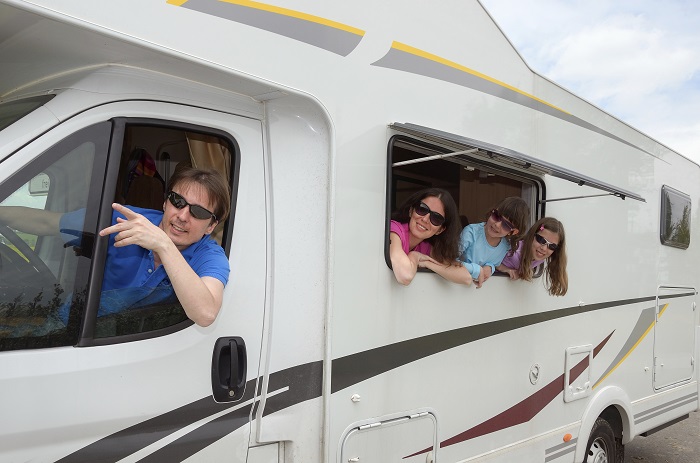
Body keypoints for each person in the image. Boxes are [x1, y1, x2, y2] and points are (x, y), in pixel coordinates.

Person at [0, 167, 231, 327]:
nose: (182, 215)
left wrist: (163, 244)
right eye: (177, 201)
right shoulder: (124, 219)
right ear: (164, 202)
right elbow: (46, 222)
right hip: (76, 326)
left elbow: (205, 313)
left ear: (211, 226)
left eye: (198, 212)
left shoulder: (209, 256)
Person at [389, 188, 472, 286]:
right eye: (422, 209)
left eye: (436, 218)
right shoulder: (394, 230)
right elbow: (405, 276)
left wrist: (427, 263)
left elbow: (466, 277)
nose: (425, 219)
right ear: (411, 211)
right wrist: (414, 257)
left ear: (440, 230)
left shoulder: (426, 247)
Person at [458, 197, 529, 288]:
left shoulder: (505, 246)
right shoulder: (471, 232)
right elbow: (450, 260)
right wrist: (477, 270)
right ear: (492, 212)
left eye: (506, 225)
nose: (497, 224)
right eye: (497, 216)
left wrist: (491, 268)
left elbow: (495, 263)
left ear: (513, 232)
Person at [497, 217, 568, 296]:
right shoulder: (514, 249)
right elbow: (488, 258)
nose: (544, 248)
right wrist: (505, 269)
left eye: (552, 246)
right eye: (541, 240)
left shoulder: (541, 257)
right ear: (532, 235)